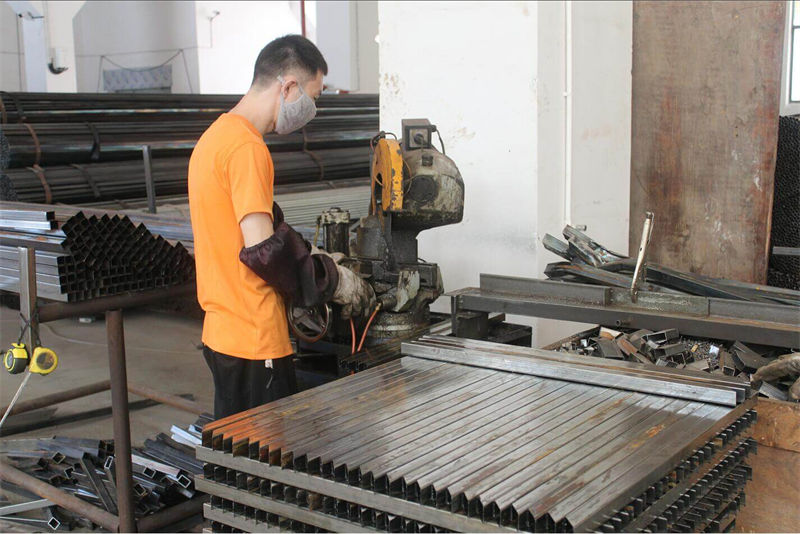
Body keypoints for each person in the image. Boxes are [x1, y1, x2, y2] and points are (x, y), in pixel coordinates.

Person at [188, 35, 374, 420]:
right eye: (313, 97)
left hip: (223, 332)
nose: (311, 110)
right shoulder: (247, 148)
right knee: (267, 454)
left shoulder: (215, 138)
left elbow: (256, 231)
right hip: (255, 338)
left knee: (238, 449)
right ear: (288, 87)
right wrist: (331, 281)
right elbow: (263, 252)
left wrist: (313, 256)